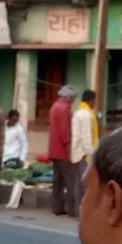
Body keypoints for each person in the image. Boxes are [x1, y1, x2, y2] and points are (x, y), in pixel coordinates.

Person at [47, 85, 78, 216]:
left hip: (53, 149)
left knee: (57, 180)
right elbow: (64, 131)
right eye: (74, 98)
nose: (74, 100)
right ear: (69, 97)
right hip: (62, 150)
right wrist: (69, 148)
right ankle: (71, 208)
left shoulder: (55, 106)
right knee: (70, 179)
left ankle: (57, 207)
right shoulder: (64, 108)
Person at [69, 89, 99, 213]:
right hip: (84, 153)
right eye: (94, 100)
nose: (95, 103)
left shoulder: (78, 112)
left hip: (77, 152)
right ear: (91, 100)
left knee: (79, 182)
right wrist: (92, 153)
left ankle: (78, 209)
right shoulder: (86, 115)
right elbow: (86, 136)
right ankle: (83, 210)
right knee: (85, 183)